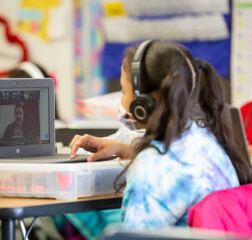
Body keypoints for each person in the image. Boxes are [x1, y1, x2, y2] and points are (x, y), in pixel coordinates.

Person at [70, 40, 252, 230]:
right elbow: (176, 166)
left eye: (124, 92)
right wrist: (126, 149)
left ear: (145, 102)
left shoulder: (151, 169)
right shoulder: (204, 139)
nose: (121, 100)